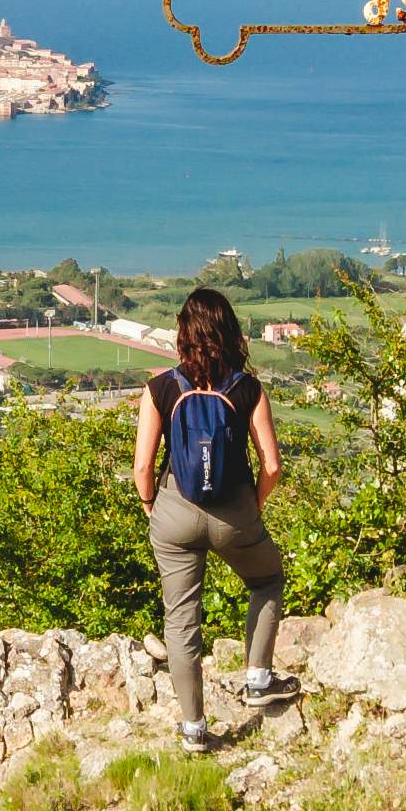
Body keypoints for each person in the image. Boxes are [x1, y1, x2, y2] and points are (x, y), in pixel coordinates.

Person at [133, 285, 288, 753]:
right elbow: (272, 465)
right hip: (234, 511)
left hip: (174, 512)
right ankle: (258, 677)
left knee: (181, 622)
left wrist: (151, 504)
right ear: (229, 331)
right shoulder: (247, 388)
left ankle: (193, 728)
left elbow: (142, 467)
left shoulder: (160, 388)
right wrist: (253, 504)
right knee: (267, 580)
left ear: (183, 333)